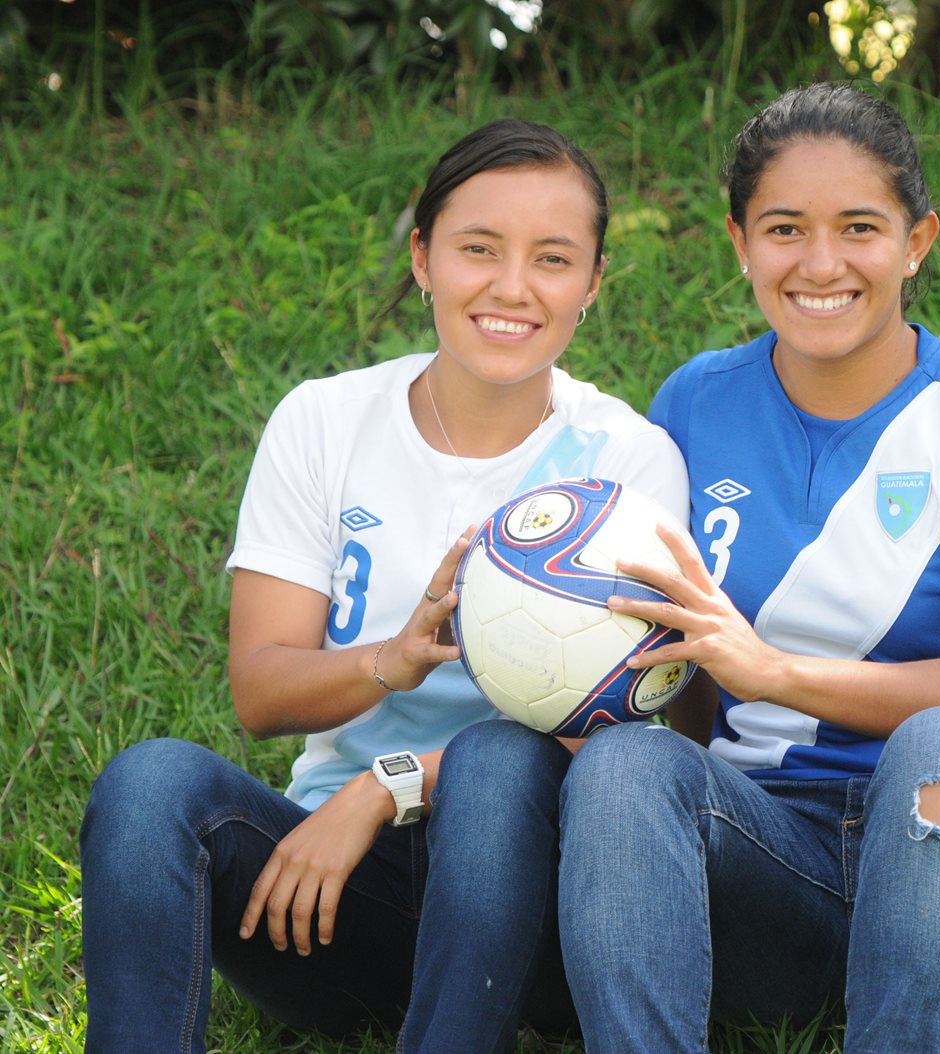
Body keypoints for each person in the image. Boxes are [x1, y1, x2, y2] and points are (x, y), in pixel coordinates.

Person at [78, 118, 688, 1053]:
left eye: (554, 259)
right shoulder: (324, 421)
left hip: (539, 912)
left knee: (499, 759)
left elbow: (628, 745)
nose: (512, 287)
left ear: (594, 283)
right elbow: (262, 690)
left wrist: (384, 786)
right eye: (478, 249)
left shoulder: (627, 467)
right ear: (422, 258)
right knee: (148, 783)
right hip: (333, 895)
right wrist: (389, 661)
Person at [551, 82, 940, 1053]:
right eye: (783, 228)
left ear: (917, 241)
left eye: (860, 227)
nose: (821, 263)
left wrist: (776, 673)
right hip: (782, 859)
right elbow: (673, 652)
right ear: (739, 242)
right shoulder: (694, 402)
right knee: (628, 764)